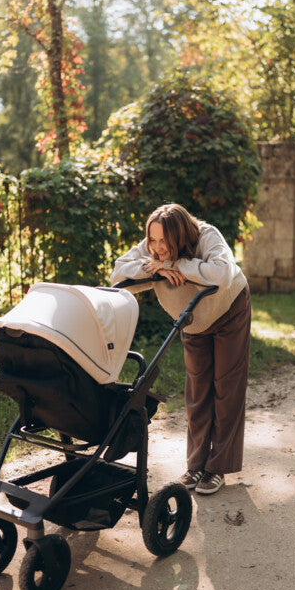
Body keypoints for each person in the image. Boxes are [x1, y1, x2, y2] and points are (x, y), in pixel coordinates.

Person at [110, 203, 251, 495]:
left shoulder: (207, 236)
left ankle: (217, 468)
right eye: (153, 240)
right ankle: (196, 465)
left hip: (228, 310)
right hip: (192, 318)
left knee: (226, 388)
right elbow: (119, 274)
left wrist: (176, 266)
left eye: (164, 242)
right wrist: (157, 269)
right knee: (198, 392)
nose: (157, 247)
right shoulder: (153, 247)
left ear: (179, 235)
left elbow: (223, 274)